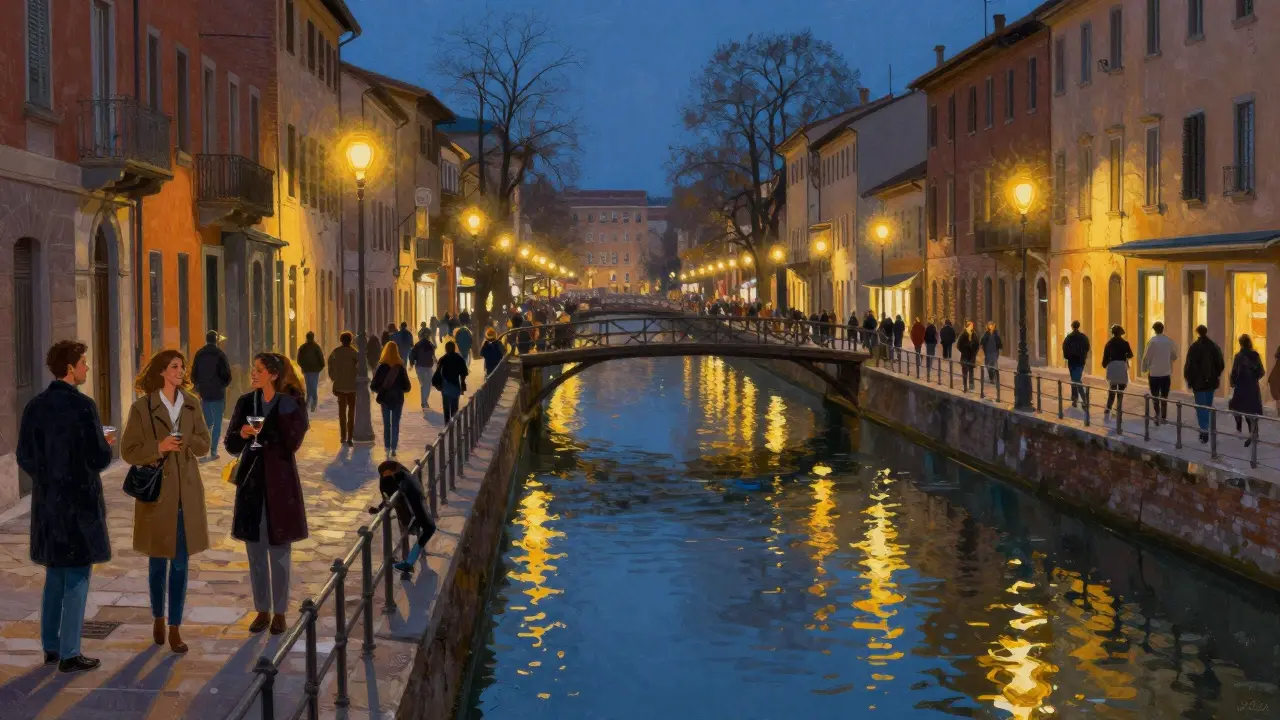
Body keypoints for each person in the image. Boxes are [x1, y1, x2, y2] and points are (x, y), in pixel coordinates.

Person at [18, 341, 115, 673]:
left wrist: (46, 477)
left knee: (55, 576)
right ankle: (71, 653)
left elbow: (24, 456)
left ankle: (51, 646)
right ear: (71, 367)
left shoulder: (35, 406)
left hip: (49, 503)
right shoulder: (83, 407)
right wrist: (106, 444)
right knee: (76, 578)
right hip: (79, 504)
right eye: (84, 363)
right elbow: (98, 457)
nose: (87, 368)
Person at [121, 349, 212, 655]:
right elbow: (128, 451)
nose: (180, 370)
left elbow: (204, 444)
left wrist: (186, 441)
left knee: (181, 563)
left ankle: (175, 626)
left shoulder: (191, 403)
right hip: (157, 495)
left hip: (187, 492)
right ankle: (158, 618)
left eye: (182, 366)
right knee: (158, 561)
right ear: (161, 371)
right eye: (174, 366)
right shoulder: (142, 407)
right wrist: (158, 447)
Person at [225, 353, 310, 635]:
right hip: (251, 485)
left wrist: (282, 411)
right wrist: (244, 433)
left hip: (280, 485)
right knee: (255, 552)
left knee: (280, 553)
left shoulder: (291, 403)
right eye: (253, 368)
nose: (253, 373)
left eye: (258, 370)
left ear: (273, 375)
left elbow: (293, 442)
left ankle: (281, 612)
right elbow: (230, 444)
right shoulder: (245, 402)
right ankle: (262, 610)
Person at [370, 461, 437, 575]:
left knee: (420, 529)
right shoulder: (401, 475)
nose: (383, 475)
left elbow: (391, 495)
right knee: (420, 530)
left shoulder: (401, 477)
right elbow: (389, 495)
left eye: (385, 473)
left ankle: (407, 562)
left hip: (412, 509)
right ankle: (408, 561)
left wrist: (380, 508)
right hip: (411, 509)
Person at [191, 331, 232, 460]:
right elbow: (227, 375)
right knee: (218, 423)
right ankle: (213, 452)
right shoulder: (220, 355)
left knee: (207, 423)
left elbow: (194, 374)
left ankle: (204, 451)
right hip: (218, 394)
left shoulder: (199, 354)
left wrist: (199, 386)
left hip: (205, 394)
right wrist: (222, 385)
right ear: (216, 340)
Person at [1183, 325, 1225, 444]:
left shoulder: (1194, 347)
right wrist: (1215, 375)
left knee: (1201, 407)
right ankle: (1206, 430)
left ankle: (1204, 431)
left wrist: (1189, 379)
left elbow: (1189, 365)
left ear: (1197, 333)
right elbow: (1221, 364)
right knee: (1207, 405)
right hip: (1210, 382)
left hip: (1198, 383)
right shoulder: (1214, 346)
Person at [372, 343, 411, 457]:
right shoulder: (400, 367)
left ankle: (387, 446)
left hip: (385, 399)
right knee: (395, 424)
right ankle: (393, 448)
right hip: (398, 398)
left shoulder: (382, 367)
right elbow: (407, 387)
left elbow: (373, 385)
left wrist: (382, 389)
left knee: (386, 423)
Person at [1229, 335, 1265, 445]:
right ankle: (1253, 433)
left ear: (1240, 344)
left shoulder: (1238, 356)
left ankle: (1239, 430)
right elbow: (1261, 372)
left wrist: (1233, 381)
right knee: (1251, 410)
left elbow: (1234, 372)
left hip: (1241, 387)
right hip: (1252, 387)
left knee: (1237, 408)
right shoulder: (1255, 355)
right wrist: (1254, 377)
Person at [1141, 322, 1178, 425]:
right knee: (1164, 396)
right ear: (1163, 329)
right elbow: (1174, 356)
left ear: (1154, 330)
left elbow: (1146, 357)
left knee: (1155, 395)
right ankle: (1164, 417)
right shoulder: (1169, 341)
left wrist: (1144, 368)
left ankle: (1157, 414)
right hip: (1166, 373)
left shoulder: (1152, 342)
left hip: (1154, 374)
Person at [327, 332, 358, 446]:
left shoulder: (336, 352)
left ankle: (343, 437)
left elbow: (330, 364)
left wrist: (333, 377)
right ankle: (350, 437)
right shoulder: (354, 353)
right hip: (352, 387)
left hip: (340, 386)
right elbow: (360, 368)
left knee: (342, 413)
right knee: (351, 413)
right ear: (350, 340)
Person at [433, 340, 470, 423]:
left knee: (446, 408)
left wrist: (438, 384)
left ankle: (447, 425)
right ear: (454, 348)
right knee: (454, 407)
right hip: (455, 385)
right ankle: (453, 426)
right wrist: (463, 384)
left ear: (446, 349)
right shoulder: (459, 358)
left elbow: (437, 372)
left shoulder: (443, 358)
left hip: (445, 386)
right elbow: (464, 372)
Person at [1102, 325, 1134, 416]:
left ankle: (1108, 407)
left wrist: (1105, 365)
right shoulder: (1125, 343)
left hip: (1112, 367)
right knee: (1120, 390)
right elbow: (1130, 354)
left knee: (1112, 388)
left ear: (1113, 333)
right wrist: (1124, 356)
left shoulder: (1109, 344)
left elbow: (1105, 358)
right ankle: (1119, 408)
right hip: (1121, 367)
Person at [1061, 321, 1091, 408]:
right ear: (1078, 326)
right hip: (1080, 361)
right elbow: (1087, 347)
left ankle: (1080, 399)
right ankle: (1077, 399)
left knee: (1075, 379)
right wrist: (1083, 355)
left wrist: (1067, 357)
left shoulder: (1069, 337)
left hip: (1072, 361)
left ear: (1072, 326)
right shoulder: (1083, 337)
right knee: (1075, 379)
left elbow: (1064, 348)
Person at [295, 331, 325, 413]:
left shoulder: (303, 347)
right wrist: (319, 368)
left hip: (307, 370)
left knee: (309, 386)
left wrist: (303, 366)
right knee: (313, 387)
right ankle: (313, 405)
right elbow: (322, 360)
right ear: (313, 337)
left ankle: (308, 404)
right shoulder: (316, 347)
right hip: (315, 371)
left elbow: (298, 359)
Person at [408, 329, 437, 412]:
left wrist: (411, 363)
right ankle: (424, 402)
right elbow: (433, 355)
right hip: (427, 366)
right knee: (427, 384)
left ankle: (424, 402)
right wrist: (436, 361)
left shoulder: (418, 345)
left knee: (423, 384)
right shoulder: (430, 344)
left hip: (420, 366)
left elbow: (412, 354)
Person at [957, 321, 979, 391]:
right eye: (971, 325)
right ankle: (965, 386)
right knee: (965, 371)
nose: (972, 326)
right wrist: (964, 351)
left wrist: (975, 352)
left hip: (972, 356)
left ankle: (971, 386)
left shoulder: (974, 334)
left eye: (972, 325)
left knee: (971, 371)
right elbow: (958, 345)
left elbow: (977, 345)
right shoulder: (963, 334)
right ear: (968, 326)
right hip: (965, 356)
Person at [980, 321, 1003, 386]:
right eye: (990, 325)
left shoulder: (996, 334)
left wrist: (1000, 347)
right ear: (988, 326)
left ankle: (994, 379)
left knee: (994, 365)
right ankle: (991, 378)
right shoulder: (986, 334)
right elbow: (982, 342)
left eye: (992, 325)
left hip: (995, 352)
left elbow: (999, 342)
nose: (992, 326)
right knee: (988, 366)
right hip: (988, 352)